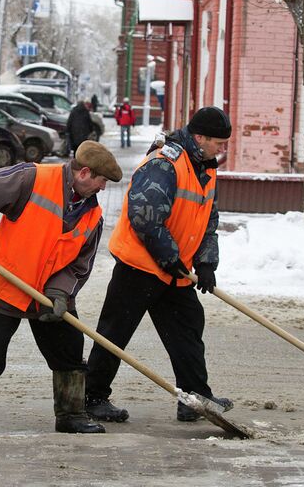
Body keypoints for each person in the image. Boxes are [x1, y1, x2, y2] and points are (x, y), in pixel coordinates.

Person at [0, 140, 123, 438]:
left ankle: (70, 415)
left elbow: (79, 265)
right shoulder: (32, 178)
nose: (103, 188)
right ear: (84, 173)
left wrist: (60, 293)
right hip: (8, 286)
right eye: (102, 180)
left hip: (49, 297)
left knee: (69, 351)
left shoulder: (93, 216)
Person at [84, 106, 233, 424]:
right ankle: (92, 396)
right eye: (219, 142)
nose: (223, 148)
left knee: (188, 329)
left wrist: (206, 262)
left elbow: (209, 218)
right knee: (115, 331)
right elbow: (145, 217)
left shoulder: (206, 167)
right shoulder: (166, 162)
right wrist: (170, 259)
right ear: (200, 137)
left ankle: (194, 397)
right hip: (141, 264)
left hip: (174, 268)